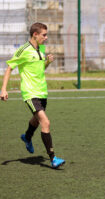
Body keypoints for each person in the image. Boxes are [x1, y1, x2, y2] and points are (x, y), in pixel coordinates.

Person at [0, 22, 65, 169]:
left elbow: (41, 68)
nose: (46, 37)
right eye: (44, 35)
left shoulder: (40, 49)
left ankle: (27, 137)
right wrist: (3, 89)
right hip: (30, 93)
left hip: (42, 91)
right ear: (35, 34)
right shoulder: (24, 49)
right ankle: (53, 158)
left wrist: (47, 61)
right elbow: (9, 68)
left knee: (36, 120)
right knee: (45, 123)